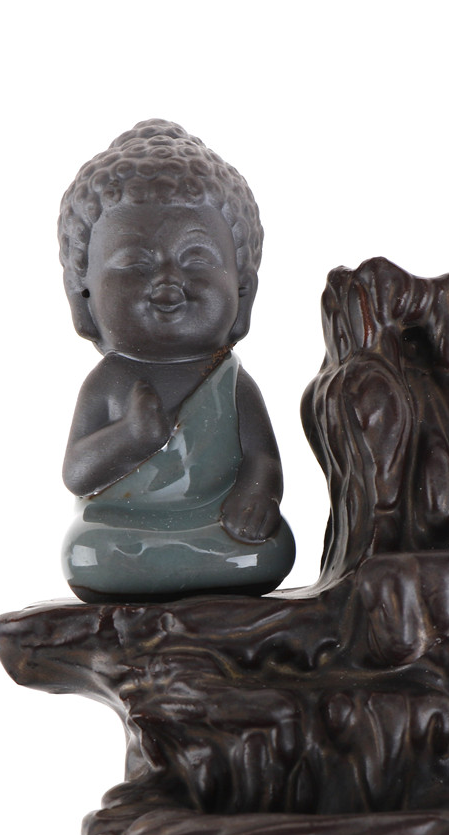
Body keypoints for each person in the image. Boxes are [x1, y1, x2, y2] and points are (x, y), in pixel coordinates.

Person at [57, 120, 295, 602]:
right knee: (87, 551)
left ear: (243, 293)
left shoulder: (231, 382)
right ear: (83, 297)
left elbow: (263, 459)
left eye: (196, 259)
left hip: (217, 523)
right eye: (135, 263)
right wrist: (130, 438)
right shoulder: (110, 382)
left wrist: (257, 496)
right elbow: (78, 474)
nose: (168, 282)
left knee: (272, 546)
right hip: (122, 529)